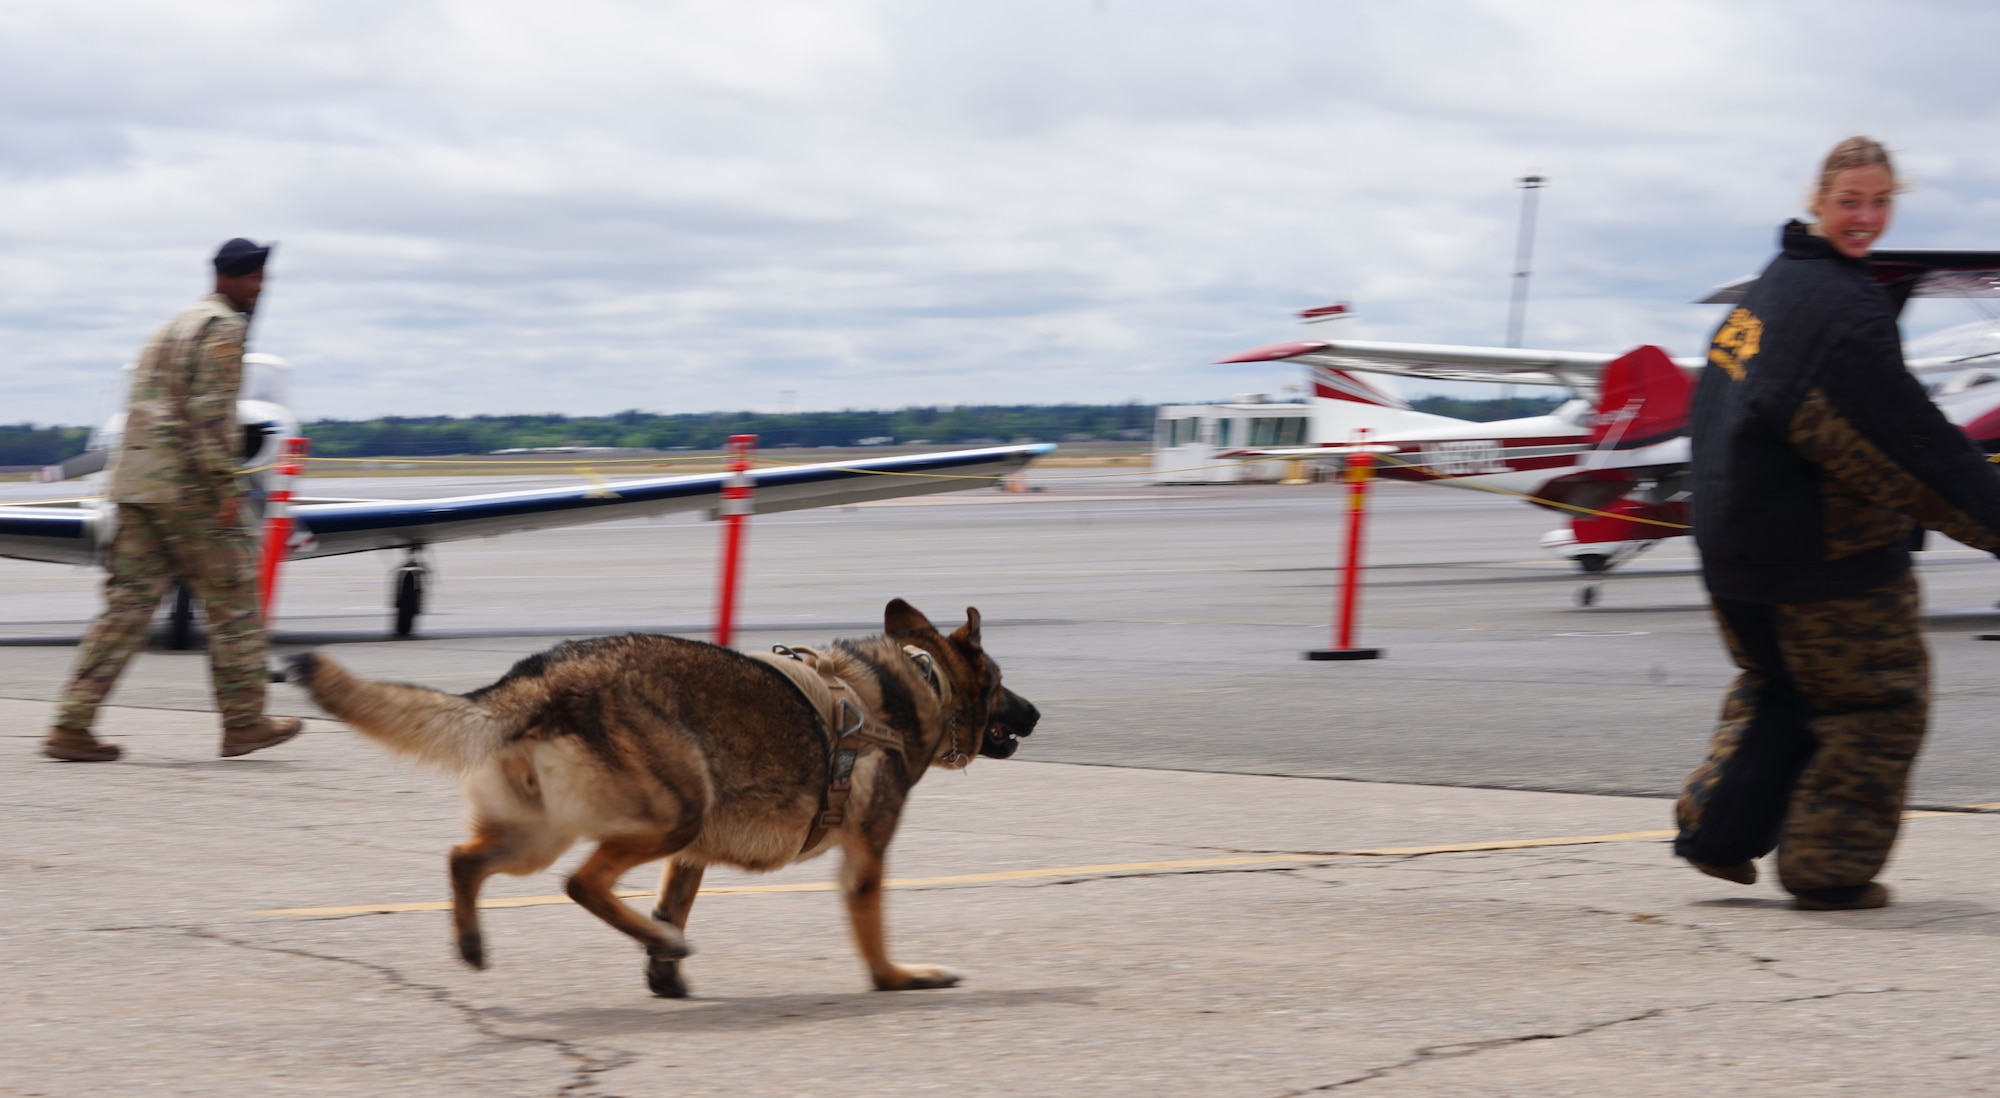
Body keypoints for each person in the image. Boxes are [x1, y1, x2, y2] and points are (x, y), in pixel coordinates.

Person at [1673, 138, 2000, 909]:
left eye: (1880, 202)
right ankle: (1829, 868)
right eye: (1851, 201)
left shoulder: (1770, 291)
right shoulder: (1842, 314)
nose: (1865, 218)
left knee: (1782, 685)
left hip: (1731, 557)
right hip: (1821, 564)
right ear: (1817, 199)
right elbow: (1914, 455)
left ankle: (1715, 832)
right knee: (1875, 701)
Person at [43, 239, 304, 762]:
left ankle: (70, 725)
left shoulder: (175, 325)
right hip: (188, 491)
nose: (261, 287)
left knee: (127, 609)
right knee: (234, 605)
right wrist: (227, 487)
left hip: (137, 486)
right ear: (234, 279)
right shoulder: (224, 329)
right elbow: (210, 415)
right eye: (255, 277)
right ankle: (244, 723)